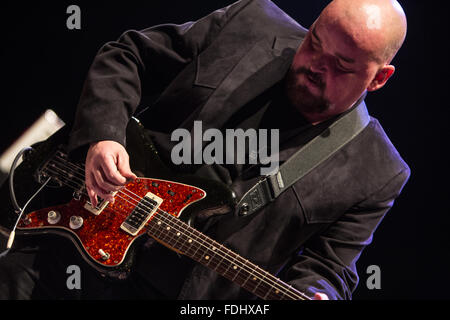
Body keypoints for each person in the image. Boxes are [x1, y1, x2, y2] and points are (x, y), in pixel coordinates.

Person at [0, 0, 409, 300]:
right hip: (69, 246)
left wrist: (319, 294)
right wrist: (103, 137)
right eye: (315, 41)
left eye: (341, 65)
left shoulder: (378, 172)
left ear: (379, 79)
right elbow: (127, 58)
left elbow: (328, 269)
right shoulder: (250, 22)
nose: (315, 64)